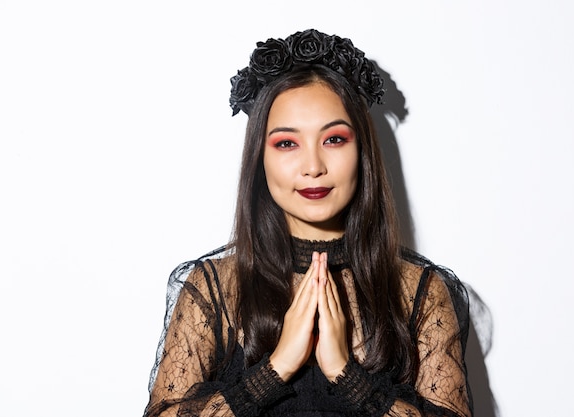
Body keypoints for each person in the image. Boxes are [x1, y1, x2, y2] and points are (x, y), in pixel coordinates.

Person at [143, 29, 472, 417]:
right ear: (259, 159)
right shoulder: (215, 289)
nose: (313, 167)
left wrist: (346, 376)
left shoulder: (419, 292)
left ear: (362, 151)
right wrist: (274, 370)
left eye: (333, 140)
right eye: (287, 143)